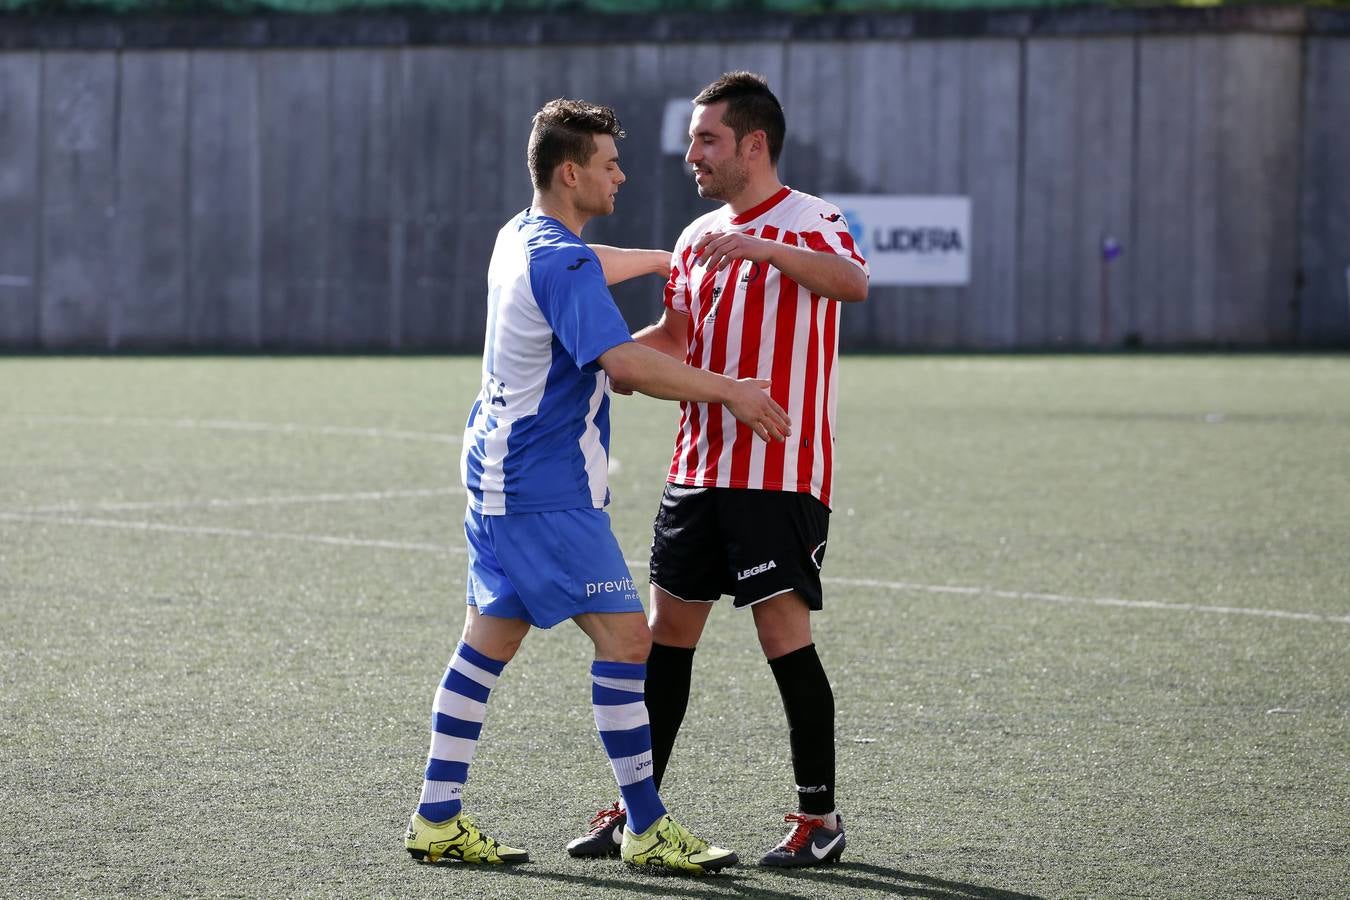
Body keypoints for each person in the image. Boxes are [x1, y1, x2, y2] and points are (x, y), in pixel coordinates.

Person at [401, 97, 792, 875]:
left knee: (490, 640)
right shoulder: (560, 258)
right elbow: (623, 365)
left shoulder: (524, 235)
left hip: (496, 474)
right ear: (571, 171)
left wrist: (654, 261)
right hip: (542, 488)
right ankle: (645, 825)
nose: (622, 172)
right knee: (626, 638)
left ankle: (436, 816)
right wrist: (733, 391)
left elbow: (584, 263)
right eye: (609, 162)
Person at [566, 71, 869, 868]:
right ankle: (639, 814)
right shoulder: (696, 237)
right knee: (667, 639)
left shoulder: (814, 219)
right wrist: (615, 361)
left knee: (782, 637)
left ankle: (819, 821)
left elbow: (852, 283)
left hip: (778, 474)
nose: (690, 154)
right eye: (692, 140)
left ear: (753, 144)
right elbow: (678, 337)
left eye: (707, 139)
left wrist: (763, 244)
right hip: (696, 471)